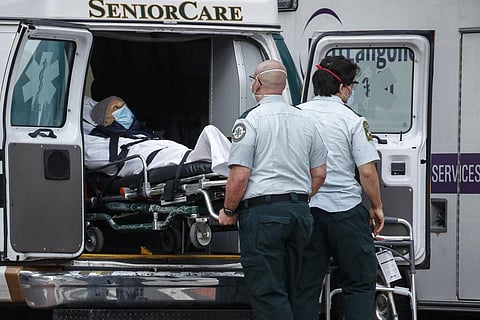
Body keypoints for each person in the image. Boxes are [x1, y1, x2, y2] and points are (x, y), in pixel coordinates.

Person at [218, 60, 328, 320]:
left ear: (257, 84)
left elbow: (239, 175)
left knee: (268, 294)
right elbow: (320, 173)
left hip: (263, 217)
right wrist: (297, 199)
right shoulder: (306, 121)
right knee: (293, 290)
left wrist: (228, 209)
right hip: (300, 214)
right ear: (284, 85)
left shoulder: (250, 120)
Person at [295, 55, 385, 320]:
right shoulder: (353, 120)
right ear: (343, 87)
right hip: (345, 213)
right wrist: (377, 207)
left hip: (306, 211)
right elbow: (367, 172)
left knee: (304, 287)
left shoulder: (297, 115)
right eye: (353, 85)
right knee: (358, 283)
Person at [83, 96, 231, 177]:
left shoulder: (142, 135)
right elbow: (87, 154)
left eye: (124, 106)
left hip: (183, 156)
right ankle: (234, 171)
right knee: (210, 132)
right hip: (170, 160)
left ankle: (235, 167)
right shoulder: (105, 143)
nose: (123, 110)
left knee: (217, 141)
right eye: (116, 108)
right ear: (106, 120)